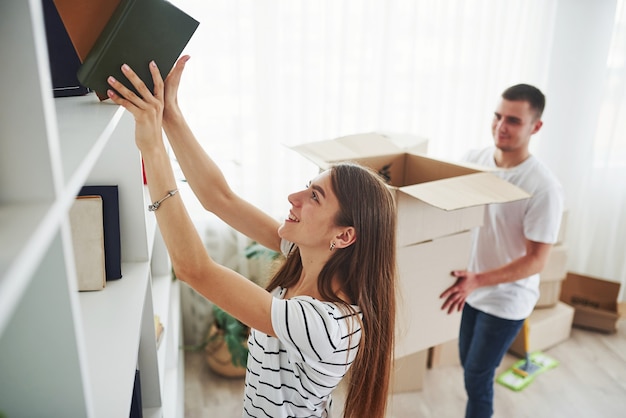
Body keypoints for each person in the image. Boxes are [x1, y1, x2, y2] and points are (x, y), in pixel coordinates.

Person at [106, 57, 397, 418]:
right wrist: (170, 116)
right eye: (309, 187)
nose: (295, 198)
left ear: (344, 235)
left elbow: (194, 269)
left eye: (315, 197)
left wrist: (152, 149)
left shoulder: (325, 323)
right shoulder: (306, 254)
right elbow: (219, 198)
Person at [439, 84, 564, 418]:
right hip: (470, 286)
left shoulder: (543, 187)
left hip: (507, 298)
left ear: (535, 127)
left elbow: (537, 260)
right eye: (497, 116)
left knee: (477, 375)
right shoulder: (473, 161)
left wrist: (478, 279)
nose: (500, 126)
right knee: (469, 364)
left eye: (513, 120)